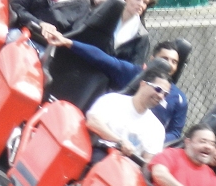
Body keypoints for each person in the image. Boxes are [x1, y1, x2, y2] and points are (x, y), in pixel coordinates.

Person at [45, 34, 190, 135]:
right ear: (153, 58)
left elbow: (175, 132)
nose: (169, 64)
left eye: (174, 62)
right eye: (165, 58)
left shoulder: (179, 98)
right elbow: (101, 58)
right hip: (110, 131)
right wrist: (68, 42)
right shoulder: (132, 72)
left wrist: (154, 141)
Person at [84, 62, 170, 162]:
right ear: (143, 84)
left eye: (165, 94)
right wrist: (119, 142)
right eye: (158, 89)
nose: (161, 96)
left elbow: (148, 162)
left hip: (127, 168)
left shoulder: (157, 129)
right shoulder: (113, 100)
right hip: (100, 153)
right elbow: (92, 122)